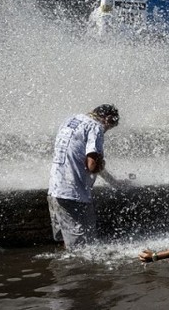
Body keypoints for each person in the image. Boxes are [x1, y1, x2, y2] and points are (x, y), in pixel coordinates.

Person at [47, 104, 122, 249]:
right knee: (83, 250)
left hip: (55, 190)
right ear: (107, 119)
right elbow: (92, 165)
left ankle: (61, 270)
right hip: (74, 194)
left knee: (66, 245)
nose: (106, 131)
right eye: (110, 127)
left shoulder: (71, 120)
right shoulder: (96, 127)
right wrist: (101, 161)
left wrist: (113, 181)